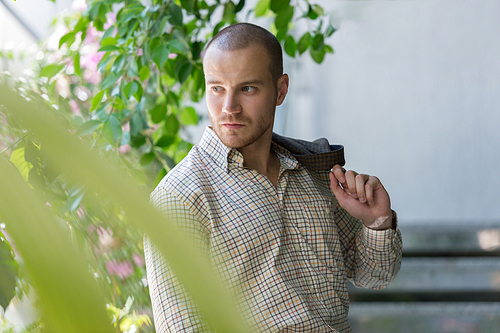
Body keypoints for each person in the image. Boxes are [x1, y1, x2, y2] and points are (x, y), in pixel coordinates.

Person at [144, 22, 402, 333]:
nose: (229, 108)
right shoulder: (179, 197)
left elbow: (376, 275)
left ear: (280, 90)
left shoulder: (313, 173)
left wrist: (377, 222)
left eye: (247, 88)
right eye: (217, 88)